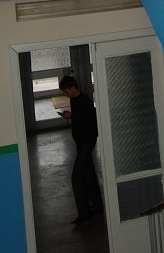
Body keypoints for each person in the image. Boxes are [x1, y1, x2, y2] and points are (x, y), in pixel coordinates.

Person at [58, 75, 103, 225]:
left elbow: (86, 119)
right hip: (81, 141)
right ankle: (97, 205)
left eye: (66, 91)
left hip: (86, 142)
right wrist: (72, 116)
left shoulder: (84, 101)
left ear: (72, 88)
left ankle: (84, 212)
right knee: (88, 173)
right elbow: (79, 118)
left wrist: (71, 116)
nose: (66, 94)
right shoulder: (74, 100)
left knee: (76, 176)